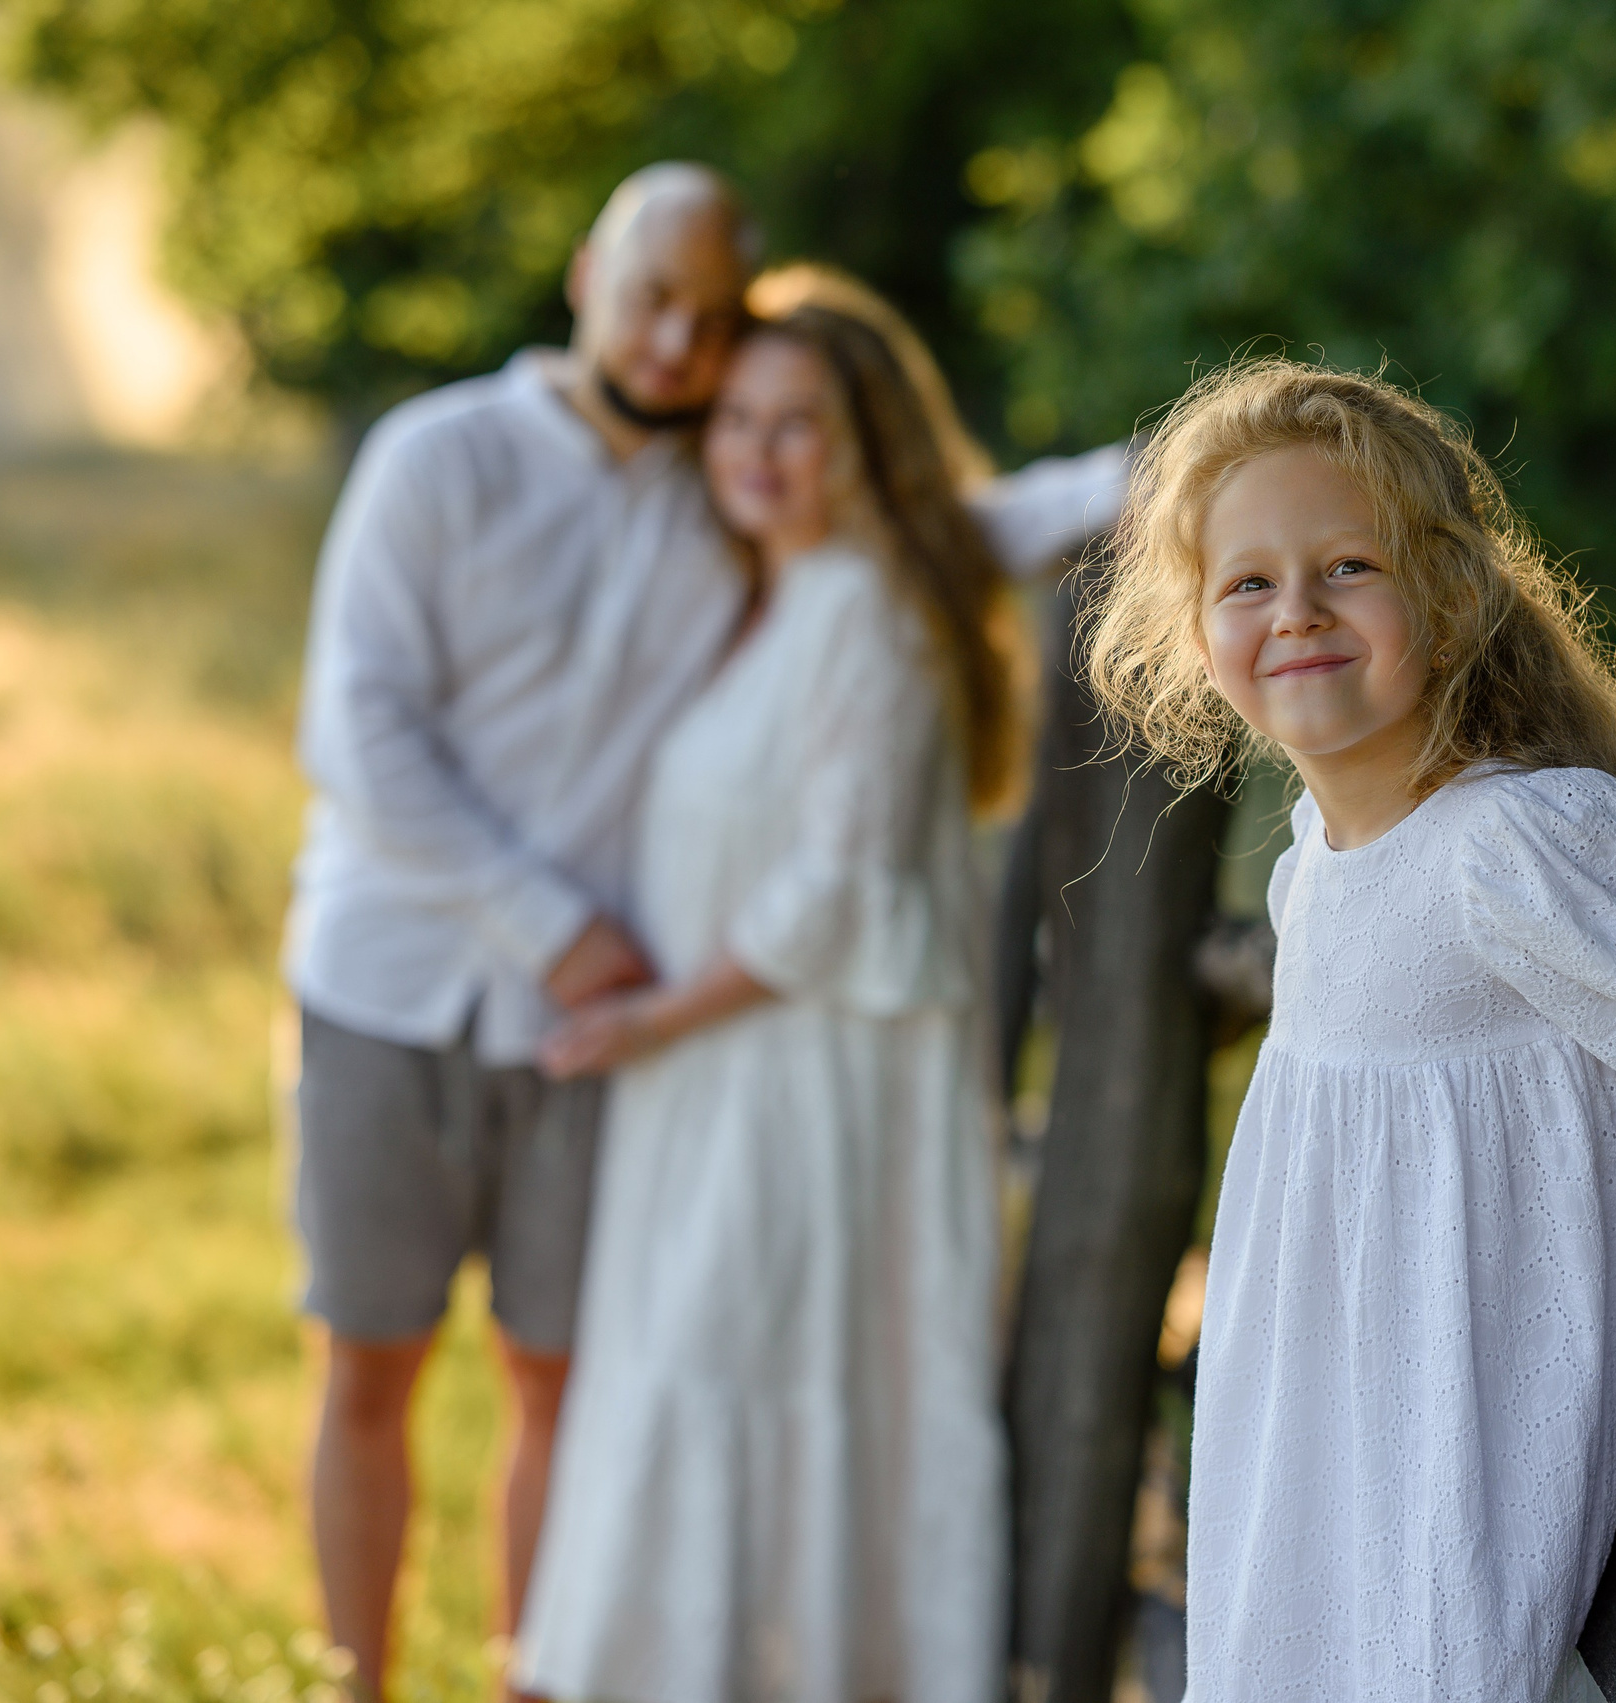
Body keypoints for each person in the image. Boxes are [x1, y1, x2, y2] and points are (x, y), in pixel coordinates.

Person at [285, 166, 1118, 1701]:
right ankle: (353, 1684)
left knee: (564, 1377)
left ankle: (538, 1670)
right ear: (587, 268)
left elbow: (923, 522)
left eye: (706, 315)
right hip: (402, 981)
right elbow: (360, 733)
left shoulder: (715, 485)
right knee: (370, 1361)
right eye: (648, 296)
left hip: (621, 1028)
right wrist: (549, 927)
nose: (674, 344)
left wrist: (1167, 476)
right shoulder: (441, 456)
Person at [1082, 359, 1616, 1703]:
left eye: (1348, 565)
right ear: (1195, 635)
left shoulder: (1518, 844)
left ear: (1450, 592)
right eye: (1248, 582)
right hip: (1310, 1498)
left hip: (1446, 1534)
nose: (1296, 612)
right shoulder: (1312, 864)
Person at [509, 279, 1016, 1703]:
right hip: (719, 1073)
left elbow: (834, 887)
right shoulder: (763, 598)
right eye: (738, 420)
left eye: (804, 425)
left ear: (870, 445)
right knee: (689, 1396)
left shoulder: (867, 607)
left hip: (805, 1082)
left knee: (737, 1394)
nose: (761, 453)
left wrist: (651, 1019)